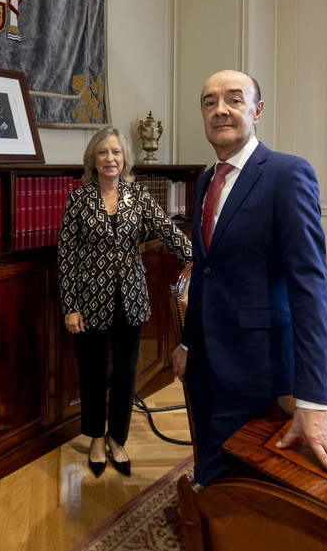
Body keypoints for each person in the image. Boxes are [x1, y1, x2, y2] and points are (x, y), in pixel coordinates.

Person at [173, 69, 327, 486]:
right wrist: (188, 342)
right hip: (205, 359)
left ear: (257, 111)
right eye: (209, 102)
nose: (220, 109)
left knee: (234, 479)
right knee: (207, 458)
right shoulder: (206, 181)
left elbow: (310, 289)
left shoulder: (287, 174)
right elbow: (205, 271)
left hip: (256, 364)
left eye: (234, 99)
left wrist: (314, 399)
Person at [58, 127, 192, 478]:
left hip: (130, 299)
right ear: (94, 159)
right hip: (88, 301)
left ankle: (117, 437)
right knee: (91, 372)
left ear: (125, 158)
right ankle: (96, 438)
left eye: (116, 152)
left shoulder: (140, 196)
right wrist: (70, 305)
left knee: (125, 373)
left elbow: (168, 230)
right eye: (103, 152)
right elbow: (67, 255)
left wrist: (200, 260)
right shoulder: (78, 199)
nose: (110, 158)